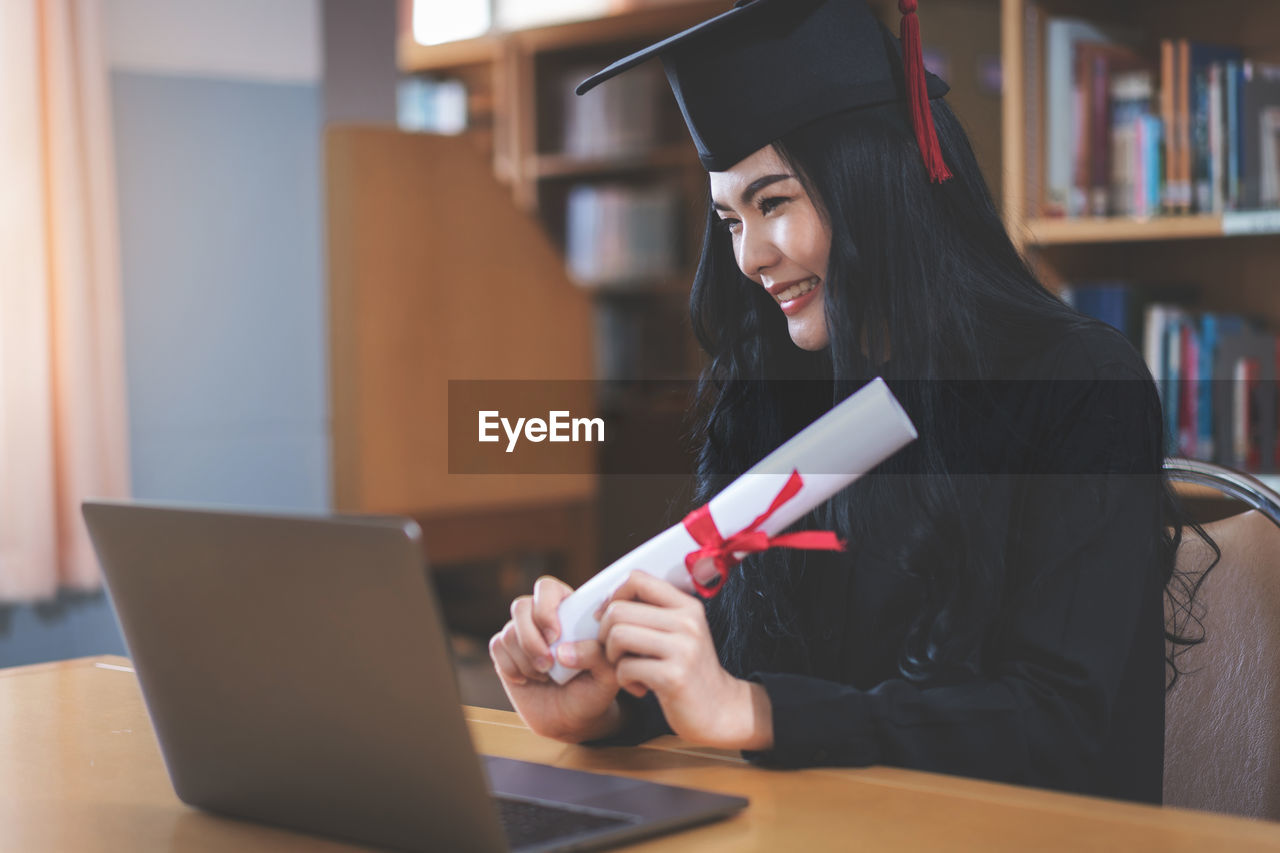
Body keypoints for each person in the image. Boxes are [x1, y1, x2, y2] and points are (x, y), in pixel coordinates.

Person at [488, 0, 1193, 804]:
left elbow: (1058, 727)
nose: (750, 256)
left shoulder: (1076, 385)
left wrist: (753, 709)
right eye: (728, 219)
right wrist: (611, 699)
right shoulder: (782, 398)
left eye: (774, 202)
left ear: (876, 179)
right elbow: (738, 661)